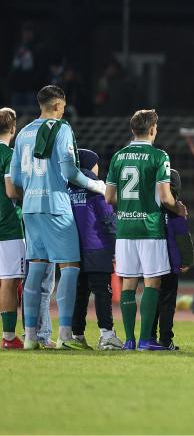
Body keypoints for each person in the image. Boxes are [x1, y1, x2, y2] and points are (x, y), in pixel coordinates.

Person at [6, 85, 106, 350]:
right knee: (70, 268)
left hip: (30, 209)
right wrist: (97, 185)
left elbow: (15, 178)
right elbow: (70, 171)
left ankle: (29, 337)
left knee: (36, 269)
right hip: (56, 206)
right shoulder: (61, 129)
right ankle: (64, 334)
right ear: (58, 105)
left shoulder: (24, 133)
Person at [104, 109, 187, 351]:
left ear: (133, 130)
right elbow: (164, 195)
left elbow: (109, 197)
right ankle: (145, 341)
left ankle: (129, 340)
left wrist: (130, 205)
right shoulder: (159, 156)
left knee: (129, 284)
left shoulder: (118, 156)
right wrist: (178, 208)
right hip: (150, 228)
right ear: (152, 130)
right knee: (152, 283)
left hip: (125, 228)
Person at [68, 148, 122, 350]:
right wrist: (117, 244)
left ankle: (76, 335)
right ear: (91, 165)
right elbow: (108, 220)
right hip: (98, 247)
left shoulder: (68, 187)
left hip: (74, 249)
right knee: (102, 292)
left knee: (79, 293)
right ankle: (107, 335)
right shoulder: (98, 189)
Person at [151, 169, 193, 350]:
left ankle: (148, 337)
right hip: (170, 263)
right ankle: (166, 340)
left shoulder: (149, 206)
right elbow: (183, 238)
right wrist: (187, 260)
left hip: (151, 262)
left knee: (151, 300)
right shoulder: (177, 210)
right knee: (167, 303)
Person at [0, 108, 25, 349]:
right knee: (9, 280)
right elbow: (10, 191)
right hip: (7, 226)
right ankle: (8, 337)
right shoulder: (9, 155)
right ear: (13, 129)